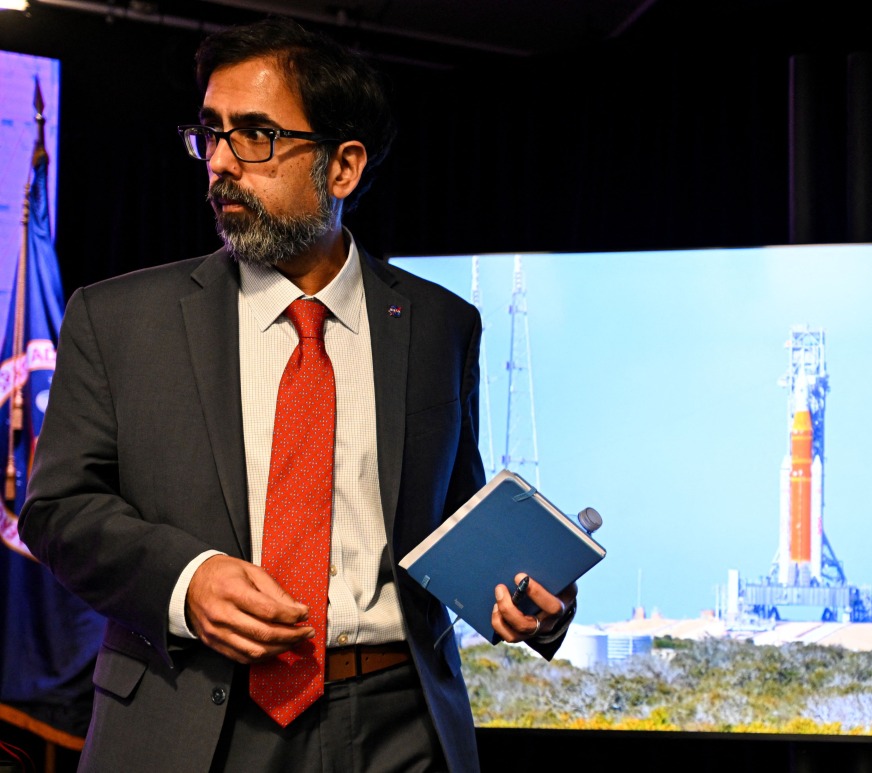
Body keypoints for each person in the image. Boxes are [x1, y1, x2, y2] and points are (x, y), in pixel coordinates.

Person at [18, 17, 575, 773]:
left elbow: (451, 519)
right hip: (190, 722)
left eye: (255, 136)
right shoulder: (116, 320)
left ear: (342, 168)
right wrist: (188, 580)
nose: (219, 162)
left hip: (399, 725)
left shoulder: (442, 325)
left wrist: (527, 592)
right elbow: (56, 511)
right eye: (210, 132)